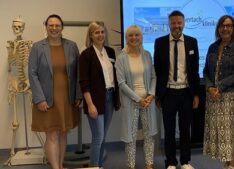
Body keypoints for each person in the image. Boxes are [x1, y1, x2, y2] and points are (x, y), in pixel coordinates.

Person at [28, 14, 82, 169]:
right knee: (52, 134)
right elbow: (32, 73)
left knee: (63, 133)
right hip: (46, 99)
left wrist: (78, 95)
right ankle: (55, 167)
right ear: (46, 26)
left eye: (57, 25)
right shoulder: (38, 47)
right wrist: (39, 99)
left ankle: (60, 165)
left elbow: (78, 72)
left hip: (67, 98)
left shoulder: (71, 46)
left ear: (62, 27)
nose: (54, 28)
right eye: (50, 25)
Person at [154, 10, 200, 169]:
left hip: (186, 92)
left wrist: (195, 94)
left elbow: (194, 70)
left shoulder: (192, 42)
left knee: (185, 129)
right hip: (168, 93)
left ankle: (185, 161)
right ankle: (171, 162)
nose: (176, 26)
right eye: (173, 23)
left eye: (179, 22)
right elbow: (158, 71)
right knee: (169, 130)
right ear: (169, 24)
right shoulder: (159, 42)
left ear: (184, 23)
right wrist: (158, 96)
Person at [203, 15, 234, 169]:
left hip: (230, 96)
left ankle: (232, 165)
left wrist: (219, 86)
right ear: (218, 28)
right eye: (222, 25)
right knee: (221, 136)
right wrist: (209, 87)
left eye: (228, 25)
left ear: (233, 28)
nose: (225, 28)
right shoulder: (212, 47)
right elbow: (206, 71)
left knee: (229, 134)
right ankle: (227, 165)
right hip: (213, 96)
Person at [115, 25, 158, 169]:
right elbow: (121, 83)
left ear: (141, 37)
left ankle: (149, 164)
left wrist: (151, 95)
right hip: (131, 102)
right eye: (131, 35)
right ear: (126, 38)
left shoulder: (147, 55)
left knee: (149, 135)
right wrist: (138, 99)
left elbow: (153, 77)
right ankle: (131, 166)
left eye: (137, 35)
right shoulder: (121, 58)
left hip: (147, 102)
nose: (134, 38)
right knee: (130, 137)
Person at [79, 21, 120, 169]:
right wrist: (90, 104)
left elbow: (114, 76)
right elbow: (84, 83)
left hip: (109, 98)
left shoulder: (110, 52)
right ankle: (93, 166)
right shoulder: (86, 55)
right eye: (97, 32)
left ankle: (98, 165)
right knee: (98, 137)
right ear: (91, 35)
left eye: (102, 32)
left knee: (103, 137)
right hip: (95, 101)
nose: (100, 35)